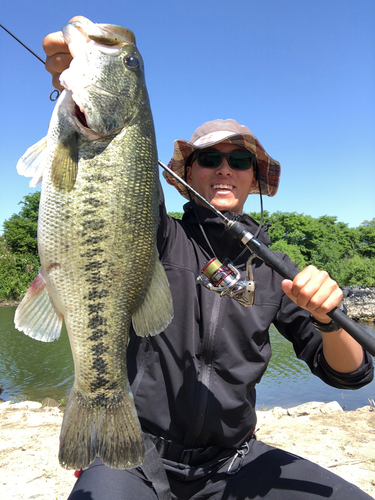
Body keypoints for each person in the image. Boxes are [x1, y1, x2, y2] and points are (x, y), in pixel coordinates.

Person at [43, 18, 373, 500]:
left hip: (235, 463)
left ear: (254, 180)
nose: (224, 168)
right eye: (209, 158)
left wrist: (327, 320)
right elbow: (115, 191)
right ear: (185, 174)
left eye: (239, 162)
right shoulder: (158, 235)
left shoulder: (277, 271)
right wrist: (70, 83)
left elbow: (349, 373)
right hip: (138, 454)